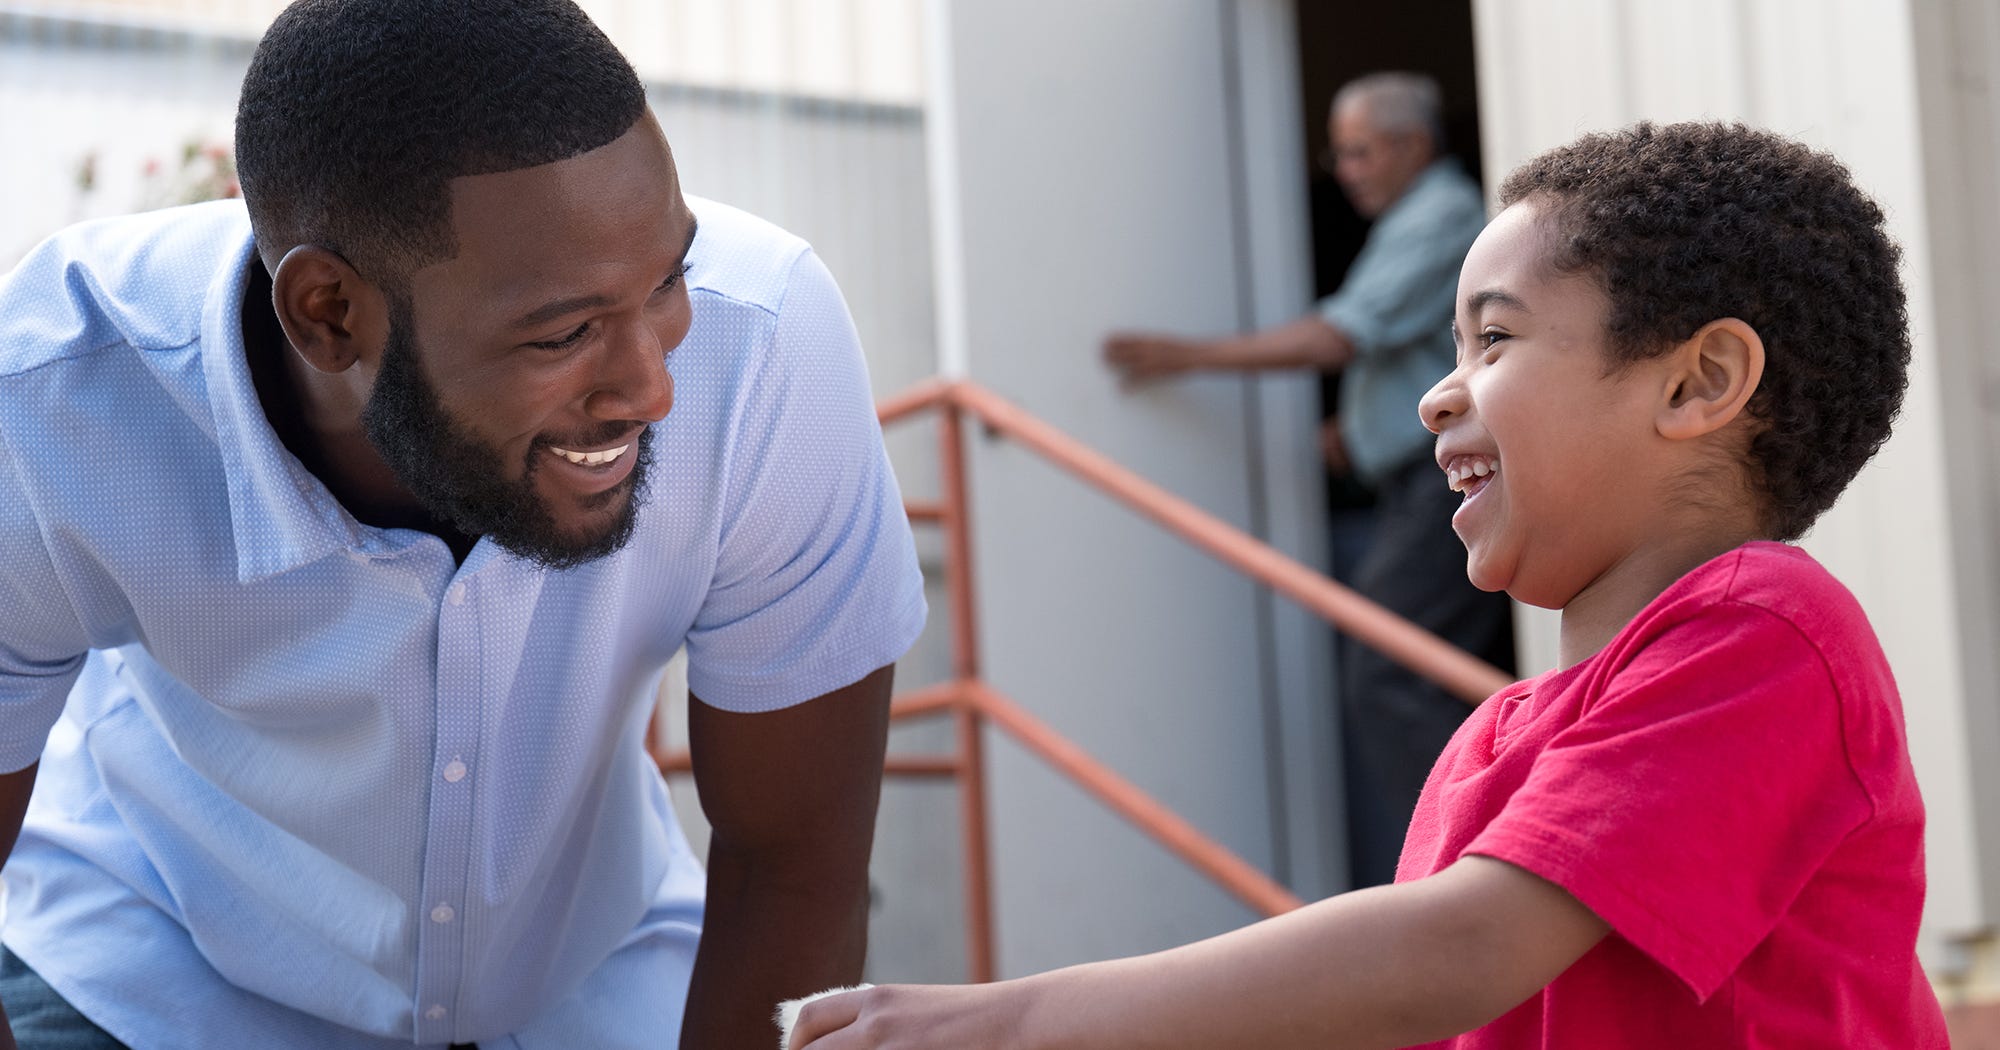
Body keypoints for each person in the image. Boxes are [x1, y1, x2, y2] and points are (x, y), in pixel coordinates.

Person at [788, 121, 1950, 1048]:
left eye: (1492, 341)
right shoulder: (1495, 738)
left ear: (1699, 383)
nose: (1438, 396)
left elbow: (1447, 957)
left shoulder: (1764, 633)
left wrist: (1003, 1022)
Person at [0, 2, 926, 1048]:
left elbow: (793, 868)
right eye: (565, 333)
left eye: (668, 282)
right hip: (154, 980)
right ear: (328, 314)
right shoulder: (51, 400)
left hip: (589, 990)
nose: (653, 386)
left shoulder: (764, 348)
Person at [1103, 72, 1514, 888]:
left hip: (1448, 488)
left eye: (1359, 151)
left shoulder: (1442, 217)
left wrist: (1187, 358)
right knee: (1408, 666)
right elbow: (1408, 356)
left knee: (1394, 672)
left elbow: (1342, 337)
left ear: (1412, 146)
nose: (1345, 169)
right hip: (1407, 481)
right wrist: (1356, 431)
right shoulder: (1414, 219)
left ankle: (1461, 872)